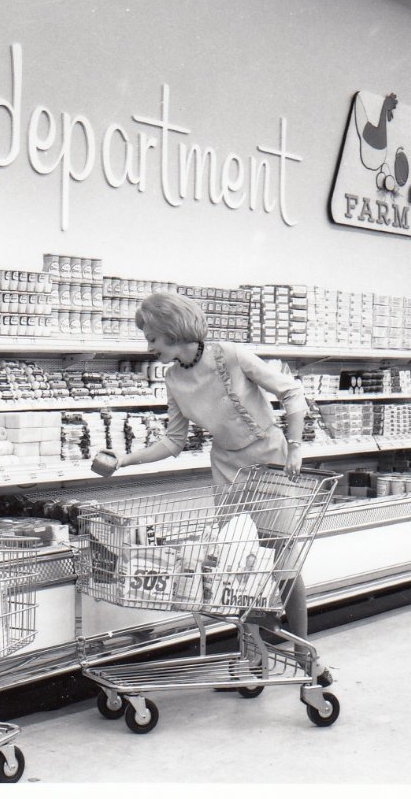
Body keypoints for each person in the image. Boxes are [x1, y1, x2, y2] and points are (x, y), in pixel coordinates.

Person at [94, 291, 330, 683]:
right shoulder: (173, 378)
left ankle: (304, 654)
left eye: (152, 338)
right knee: (235, 564)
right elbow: (173, 441)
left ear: (173, 332)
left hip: (269, 460)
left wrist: (295, 447)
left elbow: (291, 392)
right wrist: (125, 460)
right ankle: (254, 656)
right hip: (226, 466)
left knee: (283, 558)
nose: (148, 346)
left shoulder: (232, 355)